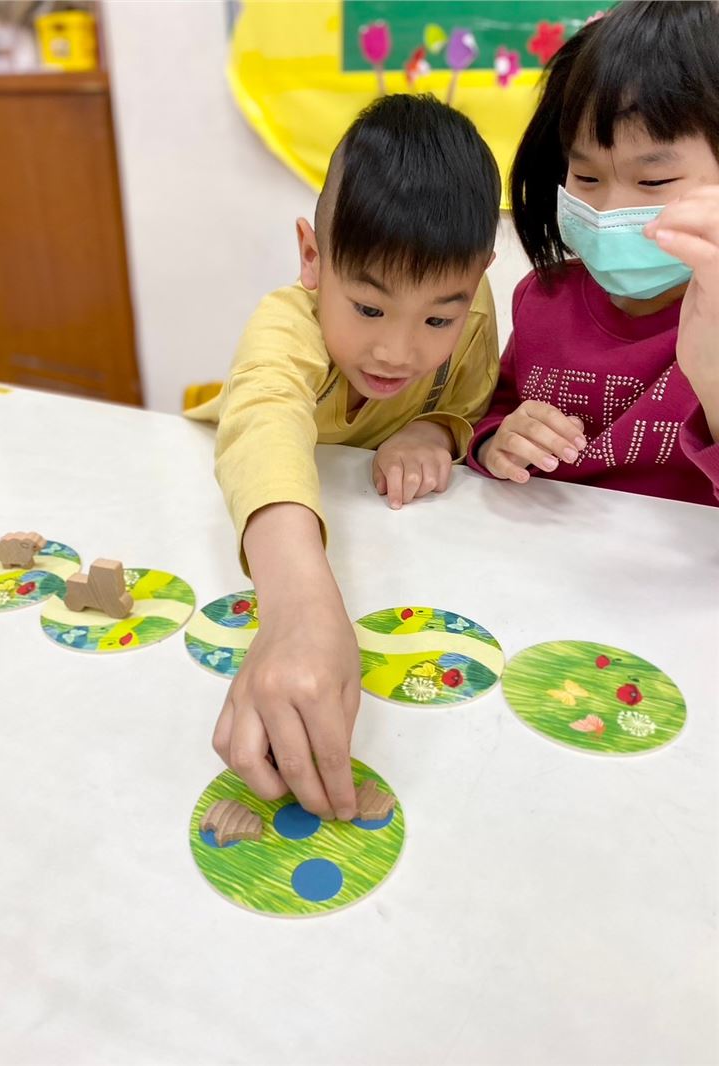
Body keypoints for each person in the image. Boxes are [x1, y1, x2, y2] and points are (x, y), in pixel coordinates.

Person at [187, 93, 501, 818]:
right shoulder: (286, 322)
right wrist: (299, 605)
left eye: (438, 317)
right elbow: (262, 417)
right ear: (313, 258)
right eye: (368, 308)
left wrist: (434, 432)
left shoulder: (477, 314)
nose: (397, 351)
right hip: (233, 494)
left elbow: (471, 405)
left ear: (478, 276)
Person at [468, 0, 719, 506]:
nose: (608, 210)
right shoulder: (543, 299)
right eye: (586, 176)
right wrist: (498, 441)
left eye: (653, 181)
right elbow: (495, 409)